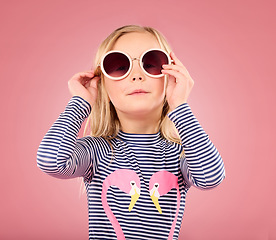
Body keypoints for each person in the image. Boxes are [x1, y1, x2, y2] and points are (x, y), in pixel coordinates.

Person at [37, 25, 225, 240]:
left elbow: (210, 177)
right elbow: (51, 161)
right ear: (104, 87)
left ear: (170, 77)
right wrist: (81, 103)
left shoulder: (181, 154)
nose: (136, 75)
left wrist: (180, 105)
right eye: (118, 66)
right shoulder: (95, 151)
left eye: (151, 64)